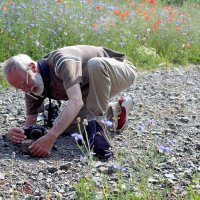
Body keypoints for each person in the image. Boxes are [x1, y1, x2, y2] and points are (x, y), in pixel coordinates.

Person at [2, 45, 137, 158]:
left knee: (95, 64)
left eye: (24, 84)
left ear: (32, 67)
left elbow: (76, 101)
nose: (25, 90)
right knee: (66, 127)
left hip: (118, 71)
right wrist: (14, 134)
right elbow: (29, 124)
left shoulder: (61, 61)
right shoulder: (31, 86)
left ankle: (97, 128)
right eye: (19, 88)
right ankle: (116, 112)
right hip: (88, 86)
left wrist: (51, 137)